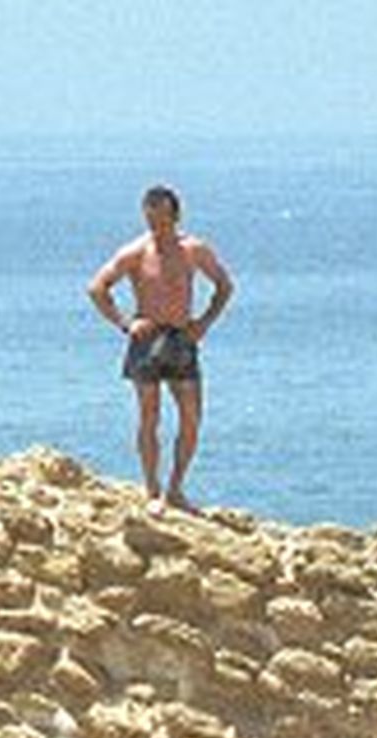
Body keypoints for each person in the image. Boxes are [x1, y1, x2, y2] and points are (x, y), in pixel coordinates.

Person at [87, 184, 234, 516]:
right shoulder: (135, 252)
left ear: (176, 216)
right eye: (151, 217)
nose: (157, 224)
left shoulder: (194, 250)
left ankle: (176, 488)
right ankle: (152, 490)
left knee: (191, 416)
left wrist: (204, 322)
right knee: (149, 415)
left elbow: (224, 286)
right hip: (148, 339)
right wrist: (126, 323)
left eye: (163, 217)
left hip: (181, 338)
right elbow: (97, 288)